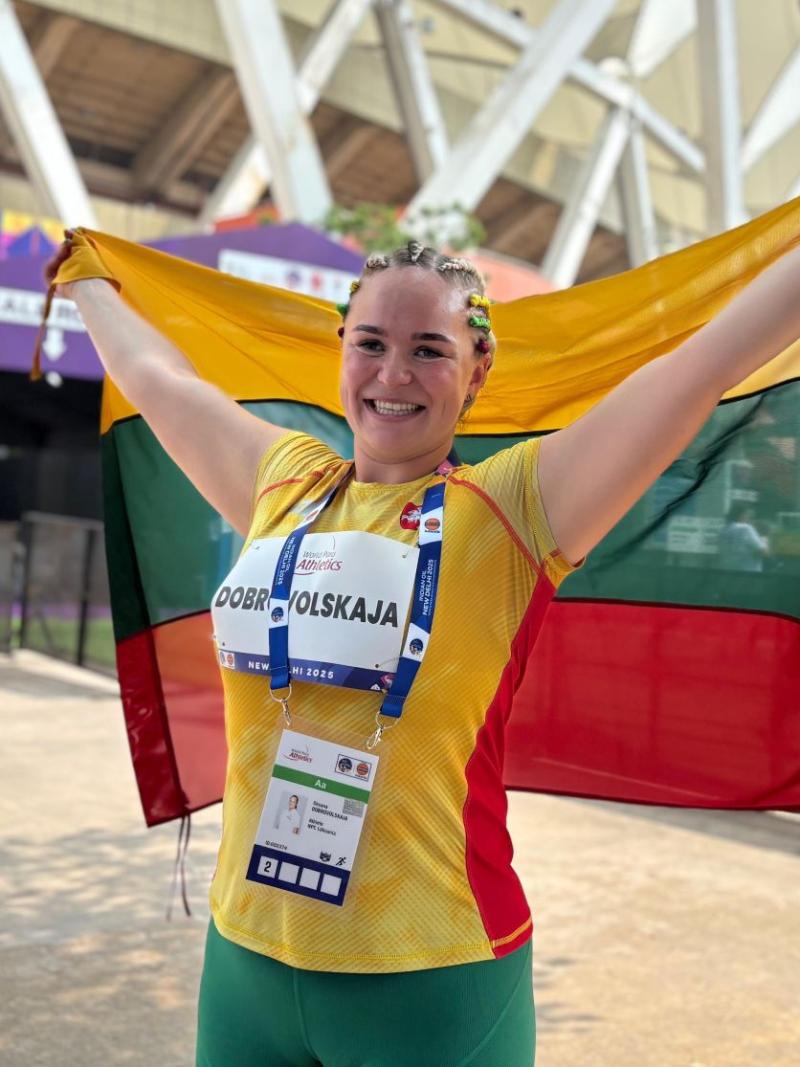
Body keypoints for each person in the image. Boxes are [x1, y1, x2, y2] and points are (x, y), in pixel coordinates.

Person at [45, 233, 800, 1066]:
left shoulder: (518, 505)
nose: (393, 374)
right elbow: (161, 382)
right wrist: (88, 287)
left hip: (435, 978)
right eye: (371, 343)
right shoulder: (283, 483)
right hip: (247, 958)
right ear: (343, 350)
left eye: (427, 350)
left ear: (477, 370)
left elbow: (702, 366)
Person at [718, 502, 770, 572]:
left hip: (727, 574)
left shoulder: (723, 530)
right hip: (747, 575)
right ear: (742, 515)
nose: (749, 518)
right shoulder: (746, 528)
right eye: (748, 514)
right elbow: (764, 552)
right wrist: (764, 537)